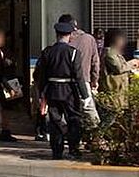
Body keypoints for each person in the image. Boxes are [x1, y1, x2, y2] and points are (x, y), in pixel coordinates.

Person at [34, 22, 91, 160]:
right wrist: (85, 95)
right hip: (69, 90)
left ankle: (57, 151)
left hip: (52, 89)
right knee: (74, 119)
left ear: (56, 35)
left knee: (55, 120)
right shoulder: (73, 53)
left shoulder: (47, 52)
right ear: (70, 35)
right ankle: (73, 149)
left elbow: (42, 75)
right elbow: (79, 76)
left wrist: (41, 93)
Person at [58, 14, 100, 90]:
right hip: (85, 81)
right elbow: (95, 63)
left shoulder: (63, 43)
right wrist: (95, 80)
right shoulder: (89, 39)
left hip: (64, 84)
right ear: (75, 24)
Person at [99, 29, 138, 106]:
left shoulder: (115, 52)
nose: (123, 43)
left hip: (119, 92)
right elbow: (119, 68)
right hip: (113, 92)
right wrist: (132, 63)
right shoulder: (109, 52)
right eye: (121, 40)